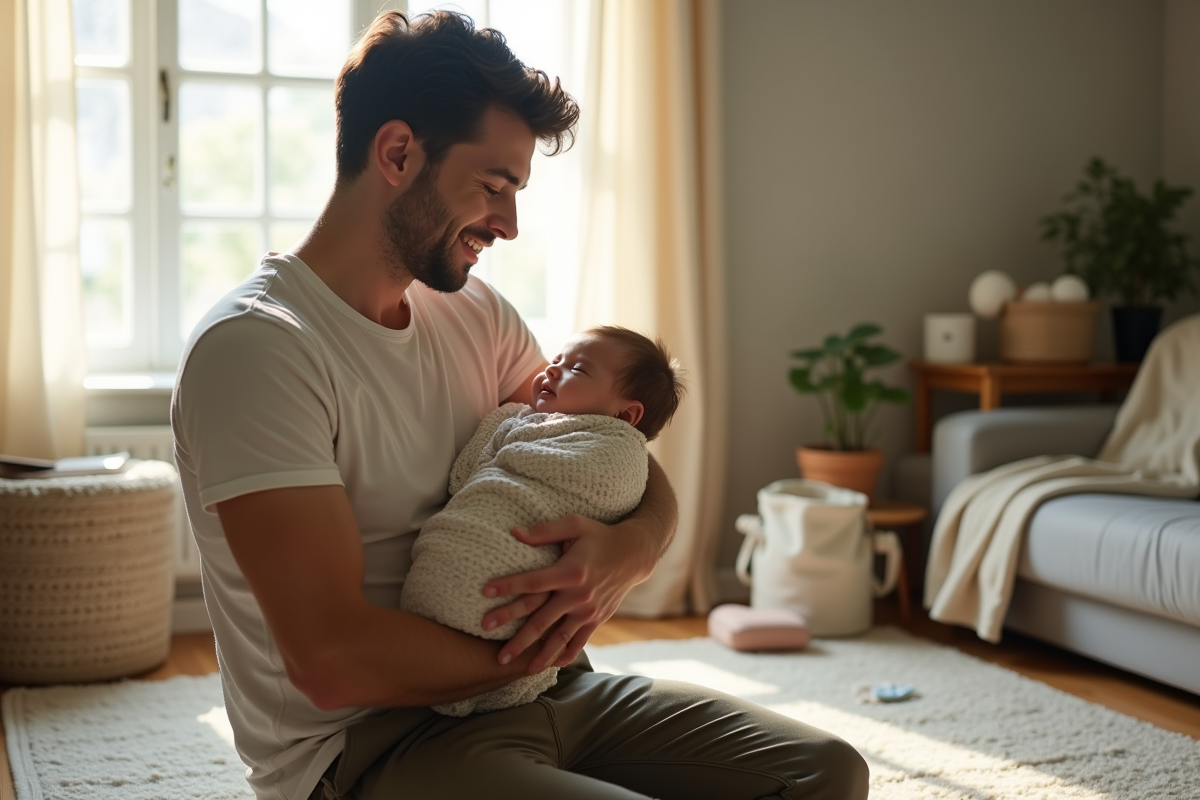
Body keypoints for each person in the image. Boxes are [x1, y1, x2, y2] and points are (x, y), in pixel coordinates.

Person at [171, 10, 869, 800]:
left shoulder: (477, 314)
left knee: (825, 774)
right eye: (494, 187)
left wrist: (634, 546)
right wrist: (530, 654)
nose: (507, 223)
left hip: (552, 693)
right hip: (374, 748)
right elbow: (332, 662)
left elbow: (610, 448)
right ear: (398, 153)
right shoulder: (258, 351)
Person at [401, 326, 685, 717]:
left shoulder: (614, 450)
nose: (551, 371)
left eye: (577, 370)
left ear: (625, 415)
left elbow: (611, 483)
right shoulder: (527, 421)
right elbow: (472, 478)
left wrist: (638, 545)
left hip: (533, 637)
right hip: (451, 592)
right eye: (555, 361)